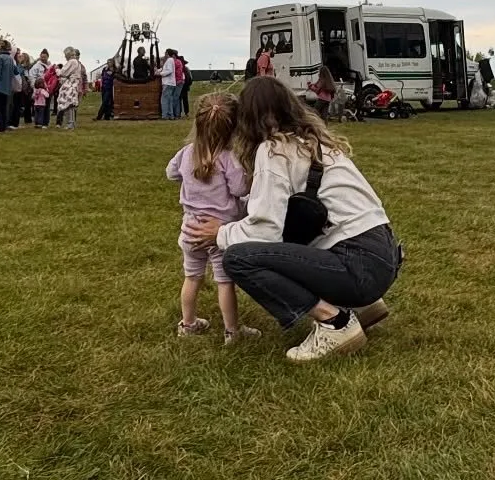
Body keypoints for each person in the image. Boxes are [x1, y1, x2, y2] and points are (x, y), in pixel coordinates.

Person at [188, 76, 400, 364]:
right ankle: (362, 306)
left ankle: (334, 322)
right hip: (383, 254)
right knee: (297, 225)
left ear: (247, 120)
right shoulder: (316, 141)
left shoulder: (273, 149)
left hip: (358, 264)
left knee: (239, 258)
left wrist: (221, 233)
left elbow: (265, 229)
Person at [167, 92, 258, 344]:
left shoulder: (186, 153)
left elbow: (170, 173)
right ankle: (232, 331)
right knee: (225, 282)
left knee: (192, 277)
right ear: (233, 128)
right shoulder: (229, 159)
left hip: (190, 230)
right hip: (218, 234)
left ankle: (188, 324)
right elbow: (241, 190)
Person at [0, 39, 18, 133]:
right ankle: (4, 127)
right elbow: (16, 71)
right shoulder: (10, 58)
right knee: (3, 108)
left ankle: (0, 128)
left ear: (0, 47)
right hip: (7, 87)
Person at [57, 47, 87, 129]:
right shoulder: (76, 62)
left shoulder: (72, 62)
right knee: (70, 105)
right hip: (73, 84)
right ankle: (71, 123)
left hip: (71, 84)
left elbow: (63, 72)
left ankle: (70, 123)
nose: (65, 57)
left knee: (69, 104)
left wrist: (57, 70)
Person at [160, 48, 184, 120]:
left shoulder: (171, 61)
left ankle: (167, 115)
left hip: (171, 82)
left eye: (165, 53)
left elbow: (169, 71)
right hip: (174, 82)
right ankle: (172, 115)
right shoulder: (175, 61)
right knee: (171, 99)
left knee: (167, 99)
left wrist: (160, 73)